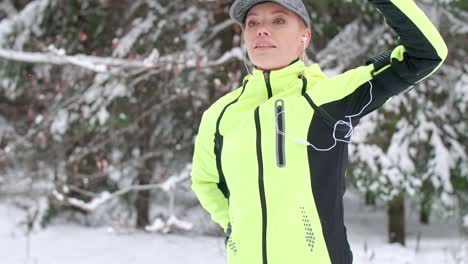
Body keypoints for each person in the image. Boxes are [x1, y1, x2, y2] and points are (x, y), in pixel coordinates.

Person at [190, 0, 447, 263]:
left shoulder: (330, 98)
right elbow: (205, 181)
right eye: (252, 23)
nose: (261, 30)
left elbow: (426, 55)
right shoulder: (220, 114)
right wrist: (236, 228)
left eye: (278, 20)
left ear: (305, 36)